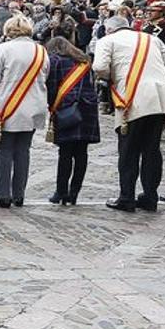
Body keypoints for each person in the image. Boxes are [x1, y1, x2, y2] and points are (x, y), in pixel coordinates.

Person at [91, 6, 165, 212]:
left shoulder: (107, 40)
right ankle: (150, 197)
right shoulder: (153, 39)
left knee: (128, 150)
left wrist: (113, 76)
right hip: (159, 99)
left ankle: (127, 197)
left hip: (130, 98)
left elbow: (99, 67)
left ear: (109, 30)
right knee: (151, 150)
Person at [0, 16, 50, 209]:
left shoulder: (3, 49)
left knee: (3, 151)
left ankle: (3, 194)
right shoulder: (41, 50)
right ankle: (19, 194)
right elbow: (46, 74)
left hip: (7, 106)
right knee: (23, 151)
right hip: (33, 106)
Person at [41, 35, 99, 206]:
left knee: (65, 153)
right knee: (82, 153)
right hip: (88, 109)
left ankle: (60, 192)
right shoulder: (83, 61)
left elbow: (51, 88)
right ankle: (73, 193)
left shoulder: (55, 61)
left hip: (66, 108)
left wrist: (52, 107)